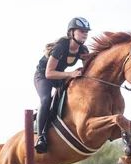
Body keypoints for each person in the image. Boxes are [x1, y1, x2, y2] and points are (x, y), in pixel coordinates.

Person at [33, 17, 91, 154]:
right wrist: (70, 74)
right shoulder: (60, 47)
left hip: (59, 75)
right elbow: (49, 73)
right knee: (46, 99)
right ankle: (41, 137)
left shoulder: (83, 50)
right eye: (82, 31)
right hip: (43, 75)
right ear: (71, 33)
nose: (85, 34)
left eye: (87, 32)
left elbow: (88, 69)